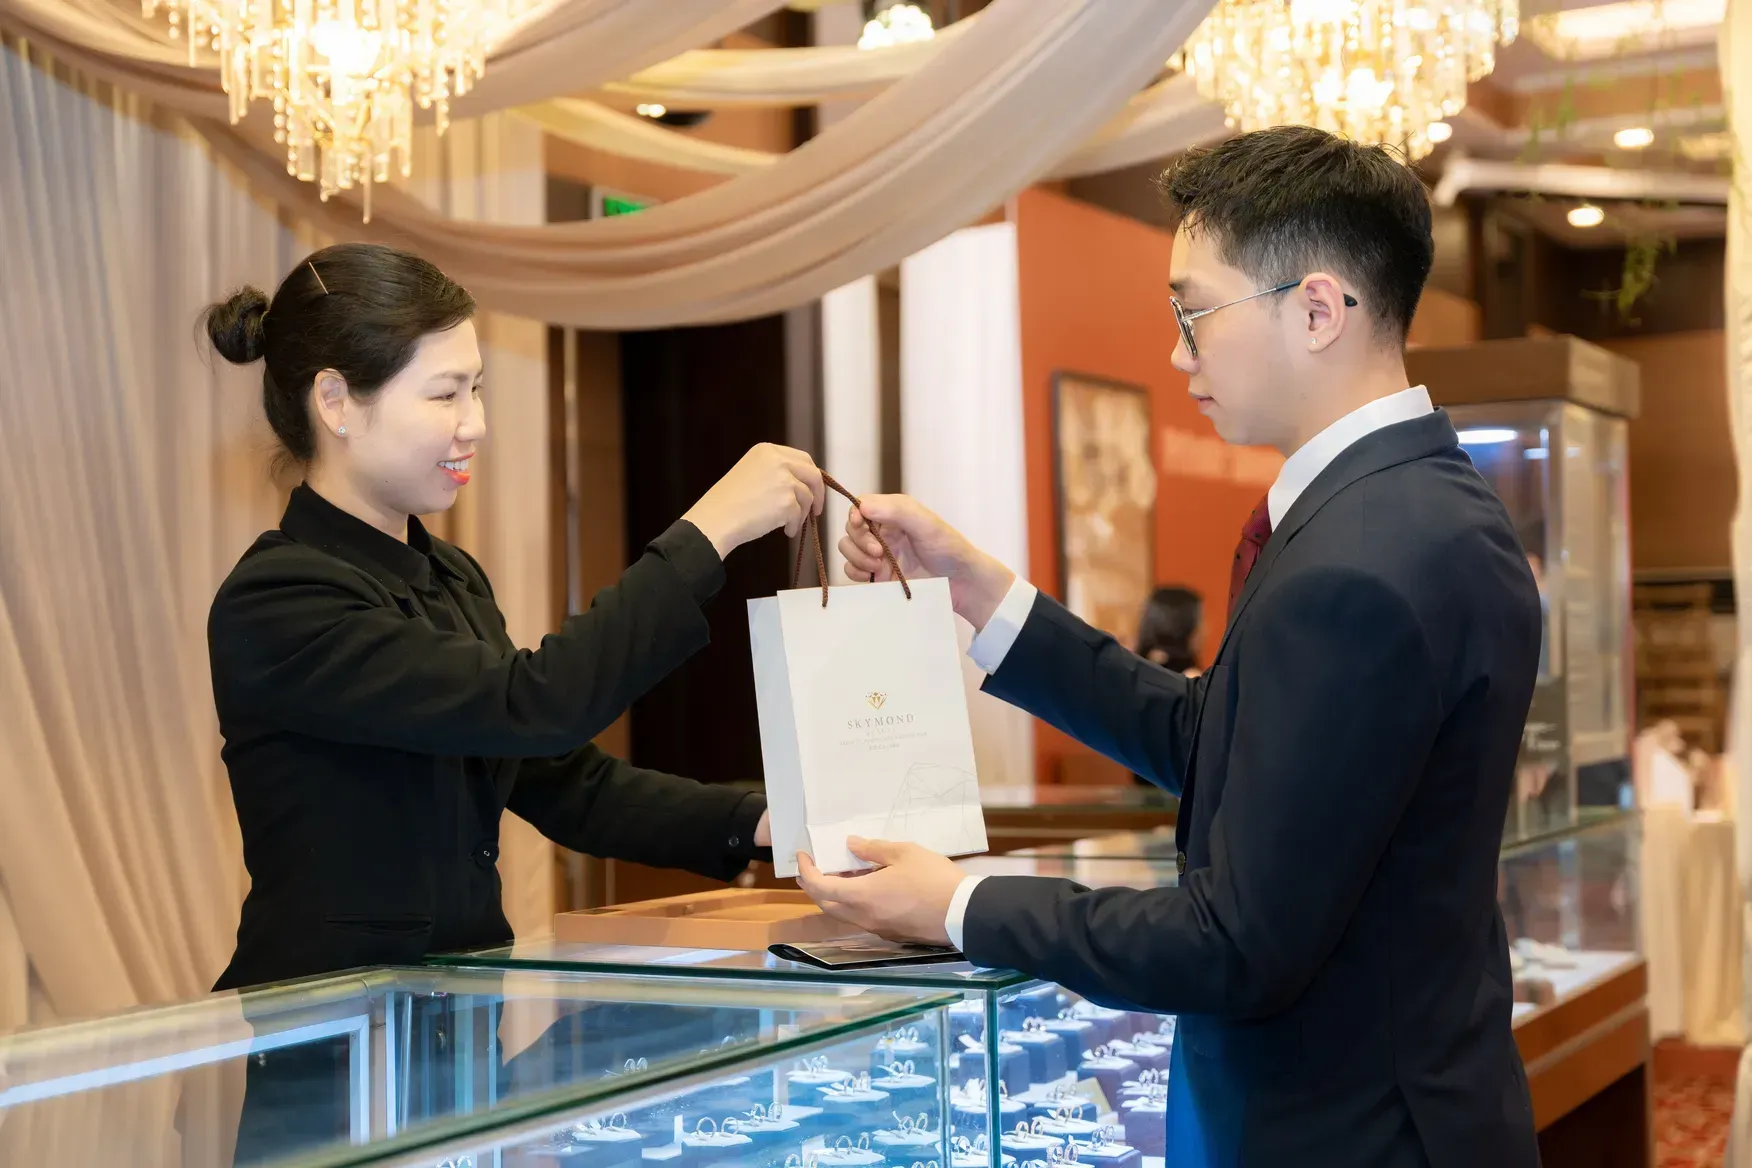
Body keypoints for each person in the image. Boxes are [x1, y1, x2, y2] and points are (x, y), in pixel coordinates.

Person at [797, 126, 1542, 1168]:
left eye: (1194, 312)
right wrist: (978, 592)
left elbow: (1234, 944)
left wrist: (957, 904)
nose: (1179, 353)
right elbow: (1217, 737)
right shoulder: (1416, 508)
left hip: (1345, 1133)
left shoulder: (1361, 563)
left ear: (1318, 310)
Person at [203, 243, 822, 1160]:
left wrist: (768, 825)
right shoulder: (280, 598)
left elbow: (564, 781)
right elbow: (536, 703)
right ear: (335, 402)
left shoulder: (452, 578)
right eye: (444, 394)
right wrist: (708, 532)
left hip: (458, 1057)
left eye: (478, 389)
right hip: (335, 1078)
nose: (475, 425)